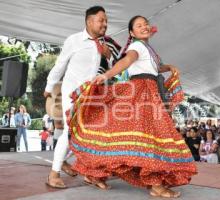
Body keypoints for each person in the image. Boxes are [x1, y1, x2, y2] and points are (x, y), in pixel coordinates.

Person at [68, 15, 197, 198]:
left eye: (145, 24)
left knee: (131, 139)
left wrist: (169, 66)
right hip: (141, 94)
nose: (144, 27)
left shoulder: (147, 48)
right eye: (139, 25)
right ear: (132, 32)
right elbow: (127, 61)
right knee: (153, 138)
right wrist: (106, 75)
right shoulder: (136, 46)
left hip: (149, 92)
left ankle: (93, 174)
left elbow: (154, 68)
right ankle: (155, 185)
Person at [44, 6, 121, 188]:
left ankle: (88, 172)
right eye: (101, 20)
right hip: (72, 94)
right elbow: (60, 65)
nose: (105, 24)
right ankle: (53, 174)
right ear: (89, 21)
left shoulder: (104, 43)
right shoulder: (74, 40)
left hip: (92, 96)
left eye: (106, 20)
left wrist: (108, 54)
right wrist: (49, 86)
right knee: (70, 132)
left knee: (91, 134)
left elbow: (115, 65)